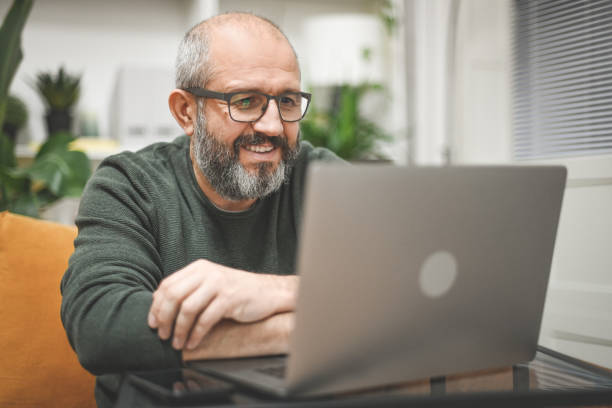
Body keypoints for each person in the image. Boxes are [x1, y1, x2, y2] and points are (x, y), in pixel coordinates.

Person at [60, 12, 342, 407]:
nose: (275, 127)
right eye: (246, 102)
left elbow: (403, 287)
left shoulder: (320, 176)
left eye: (288, 101)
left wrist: (268, 291)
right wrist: (305, 325)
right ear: (186, 112)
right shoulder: (129, 184)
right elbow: (101, 327)